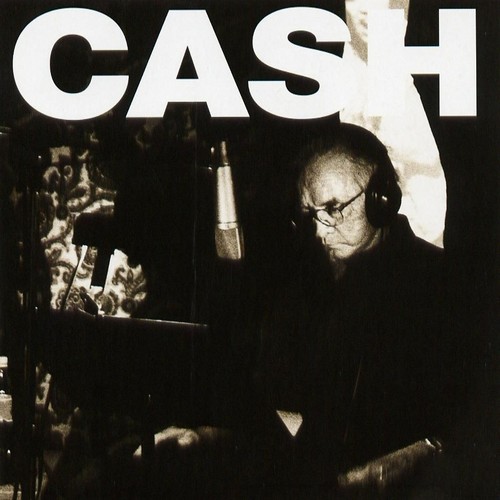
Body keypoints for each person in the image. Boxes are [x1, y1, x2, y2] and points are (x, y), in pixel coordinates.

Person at [126, 124, 459, 498]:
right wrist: (203, 438)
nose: (320, 231)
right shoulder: (303, 286)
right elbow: (283, 419)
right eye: (310, 215)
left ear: (382, 198)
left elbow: (455, 433)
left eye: (333, 209)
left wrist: (395, 468)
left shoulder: (440, 284)